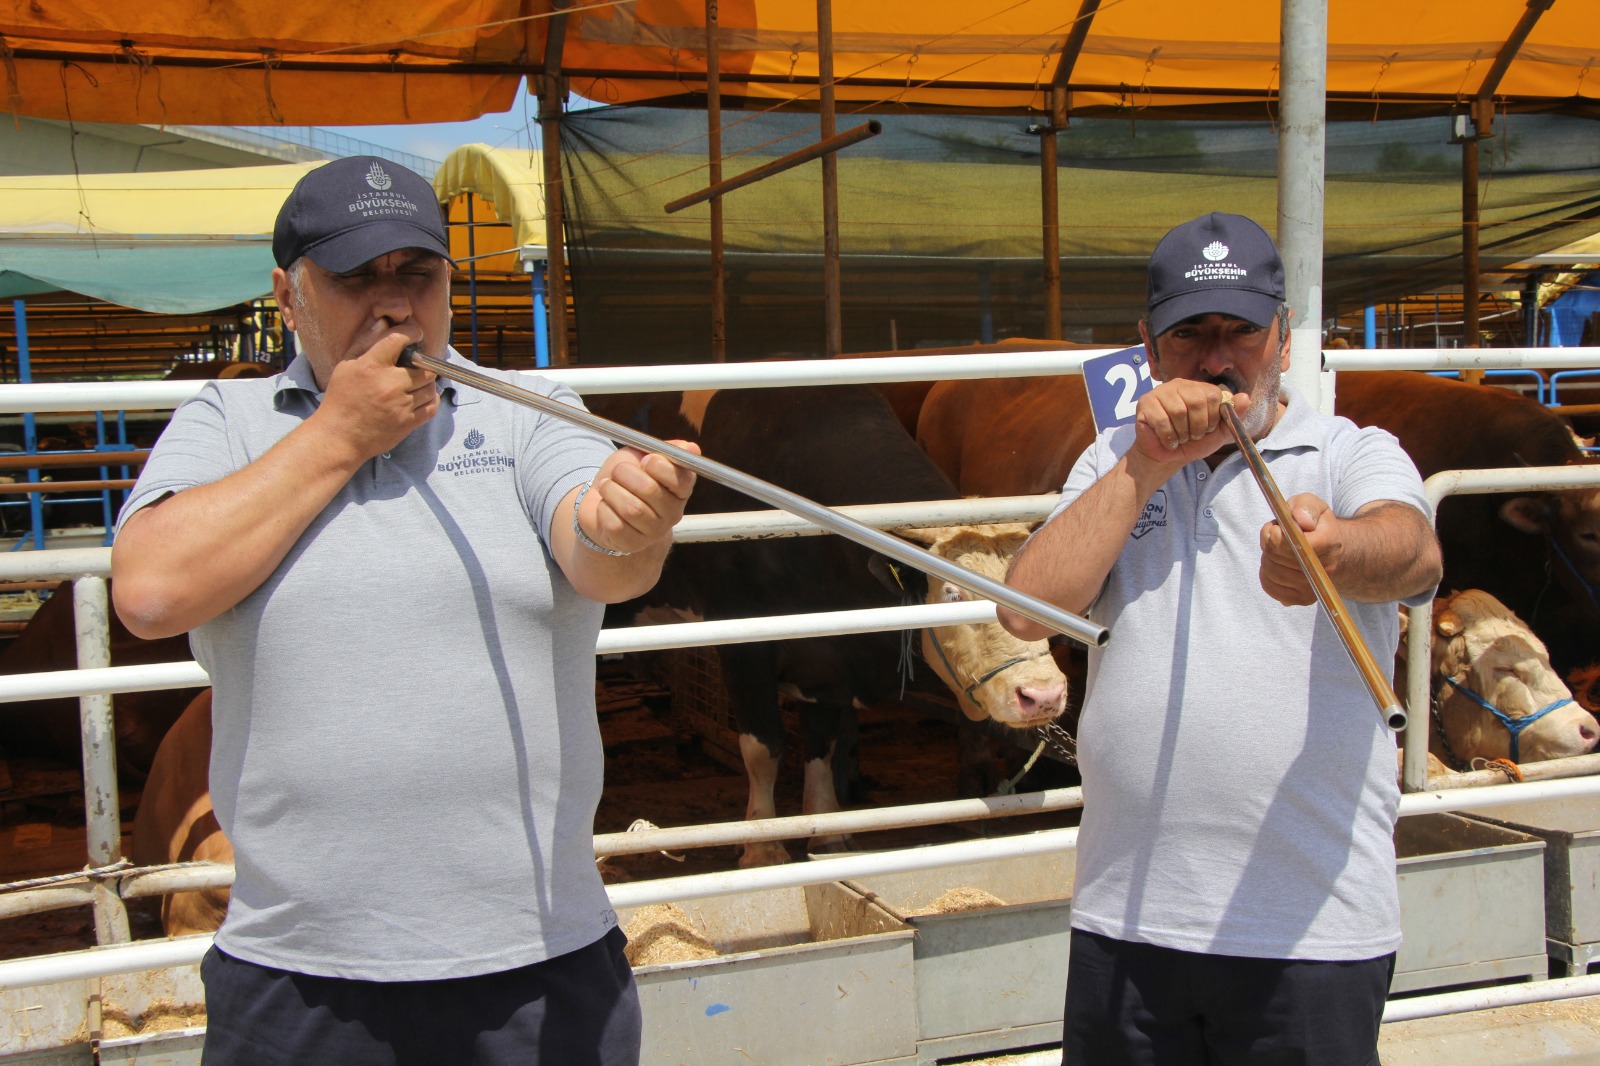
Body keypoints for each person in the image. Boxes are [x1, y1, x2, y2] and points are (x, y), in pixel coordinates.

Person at [111, 156, 698, 1066]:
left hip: (539, 963)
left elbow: (603, 559)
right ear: (289, 294)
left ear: (449, 286)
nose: (393, 306)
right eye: (354, 278)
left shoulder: (529, 411)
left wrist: (633, 523)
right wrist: (341, 434)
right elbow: (150, 593)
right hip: (299, 974)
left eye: (415, 275)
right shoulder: (227, 420)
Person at [1000, 212, 1442, 1065]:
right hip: (1126, 917)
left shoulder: (1349, 452)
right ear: (1147, 348)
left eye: (1239, 330)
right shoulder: (1112, 463)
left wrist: (1334, 553)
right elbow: (1025, 610)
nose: (1215, 358)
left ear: (1282, 336)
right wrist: (1148, 463)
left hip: (1309, 928)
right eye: (1189, 334)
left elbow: (1415, 553)